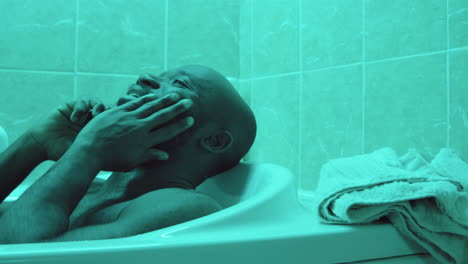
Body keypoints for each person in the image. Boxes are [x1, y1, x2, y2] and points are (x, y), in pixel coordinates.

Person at [0, 65, 257, 244]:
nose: (145, 77)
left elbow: (20, 252)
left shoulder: (184, 207)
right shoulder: (90, 189)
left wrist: (89, 149)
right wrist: (35, 143)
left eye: (179, 83)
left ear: (215, 140)